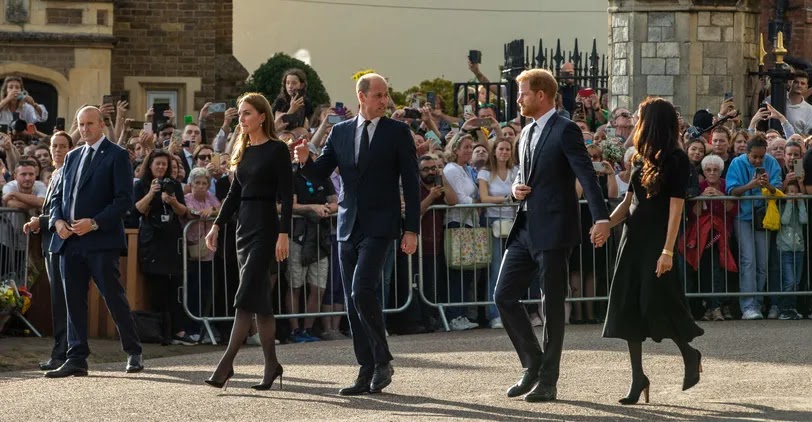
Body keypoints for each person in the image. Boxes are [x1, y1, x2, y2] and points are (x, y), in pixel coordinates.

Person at [294, 73, 420, 396]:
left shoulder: (397, 132)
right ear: (361, 96)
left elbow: (411, 182)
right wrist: (305, 161)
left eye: (386, 95)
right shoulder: (340, 132)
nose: (384, 101)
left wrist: (411, 229)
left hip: (381, 225)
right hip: (348, 225)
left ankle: (382, 360)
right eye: (378, 95)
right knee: (353, 301)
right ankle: (366, 368)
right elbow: (319, 173)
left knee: (362, 290)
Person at [495, 68, 610, 403]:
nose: (518, 99)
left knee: (552, 303)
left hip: (555, 229)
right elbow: (523, 176)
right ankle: (533, 363)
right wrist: (515, 189)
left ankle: (549, 379)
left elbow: (586, 175)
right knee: (503, 295)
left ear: (541, 95)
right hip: (525, 228)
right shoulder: (526, 131)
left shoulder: (565, 128)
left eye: (522, 93)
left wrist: (601, 218)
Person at [601, 98, 705, 405]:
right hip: (632, 239)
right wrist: (605, 224)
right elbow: (628, 202)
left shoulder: (677, 159)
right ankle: (638, 377)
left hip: (658, 241)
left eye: (639, 116)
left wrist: (667, 251)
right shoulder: (639, 156)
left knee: (659, 301)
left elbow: (676, 209)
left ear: (652, 121)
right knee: (628, 305)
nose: (635, 120)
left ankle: (689, 353)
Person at [44, 106, 143, 377]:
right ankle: (76, 357)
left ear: (101, 125)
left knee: (113, 296)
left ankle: (133, 350)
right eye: (81, 124)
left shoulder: (117, 155)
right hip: (69, 241)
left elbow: (124, 200)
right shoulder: (72, 156)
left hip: (100, 240)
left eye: (90, 123)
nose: (85, 129)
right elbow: (57, 197)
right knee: (73, 301)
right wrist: (58, 221)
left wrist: (95, 222)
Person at [203, 92, 292, 391]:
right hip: (244, 227)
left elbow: (287, 196)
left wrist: (283, 233)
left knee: (245, 297)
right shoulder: (243, 150)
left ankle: (226, 364)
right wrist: (216, 226)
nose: (241, 118)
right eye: (240, 113)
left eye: (247, 113)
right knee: (260, 303)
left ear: (262, 116)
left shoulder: (278, 150)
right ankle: (272, 366)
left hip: (267, 227)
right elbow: (233, 194)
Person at [23, 132, 73, 370]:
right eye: (55, 146)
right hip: (50, 243)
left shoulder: (71, 174)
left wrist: (41, 221)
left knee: (64, 302)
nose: (58, 150)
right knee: (59, 301)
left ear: (71, 149)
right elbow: (52, 211)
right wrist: (40, 222)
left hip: (64, 245)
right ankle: (62, 351)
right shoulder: (54, 174)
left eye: (63, 146)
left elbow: (67, 211)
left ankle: (64, 353)